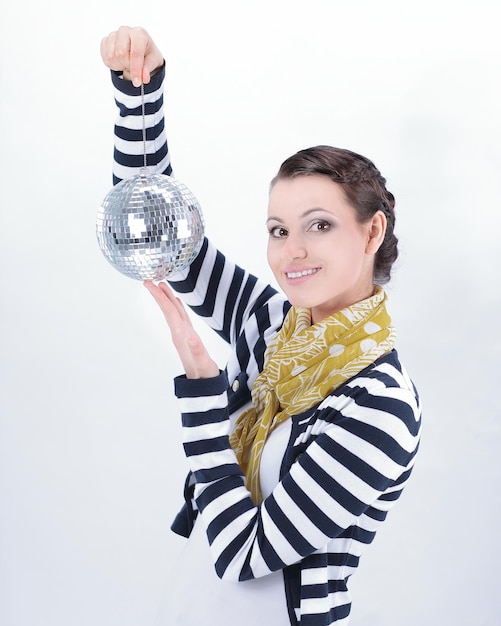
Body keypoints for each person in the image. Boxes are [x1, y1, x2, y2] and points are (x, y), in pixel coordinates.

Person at [100, 26, 422, 626]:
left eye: (319, 225)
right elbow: (155, 228)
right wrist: (138, 96)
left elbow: (246, 555)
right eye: (278, 230)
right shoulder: (271, 321)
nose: (291, 252)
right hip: (189, 604)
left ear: (371, 232)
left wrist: (202, 388)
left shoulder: (381, 407)